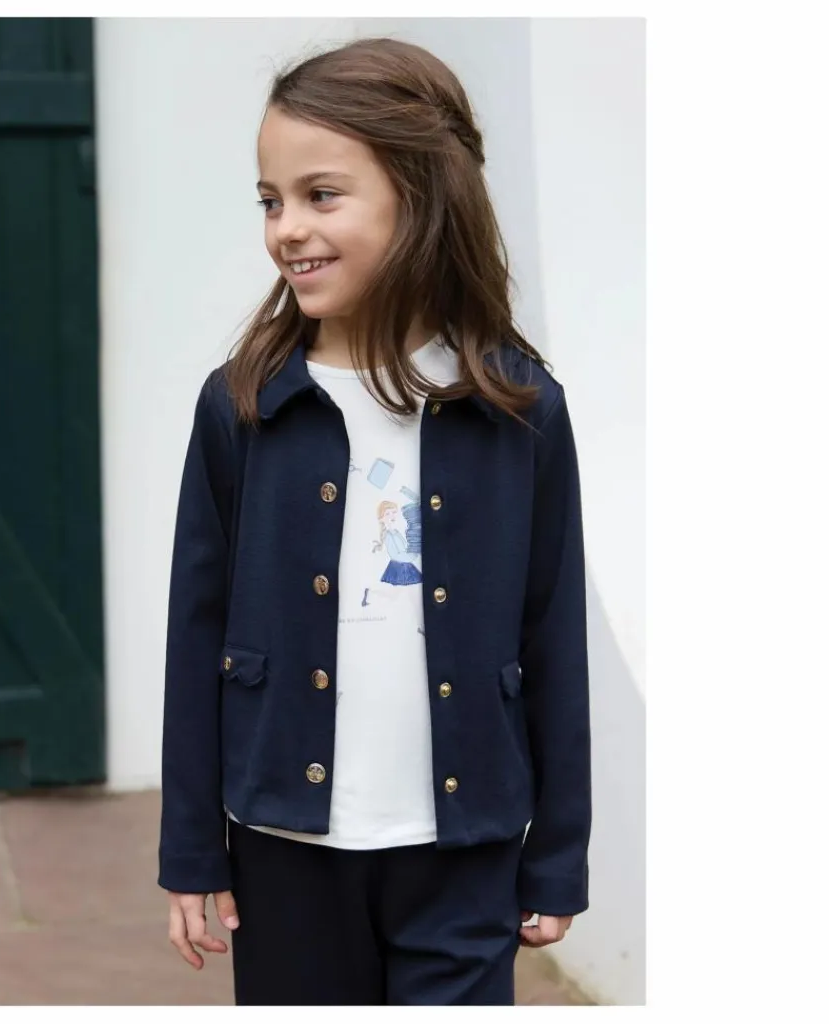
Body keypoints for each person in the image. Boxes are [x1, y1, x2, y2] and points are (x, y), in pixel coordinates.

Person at [158, 36, 591, 1006]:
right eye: (270, 200)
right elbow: (198, 633)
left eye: (320, 195)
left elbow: (551, 633)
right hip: (283, 849)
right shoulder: (242, 405)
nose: (287, 229)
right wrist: (190, 848)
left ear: (420, 194)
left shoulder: (520, 409)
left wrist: (558, 852)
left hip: (464, 850)